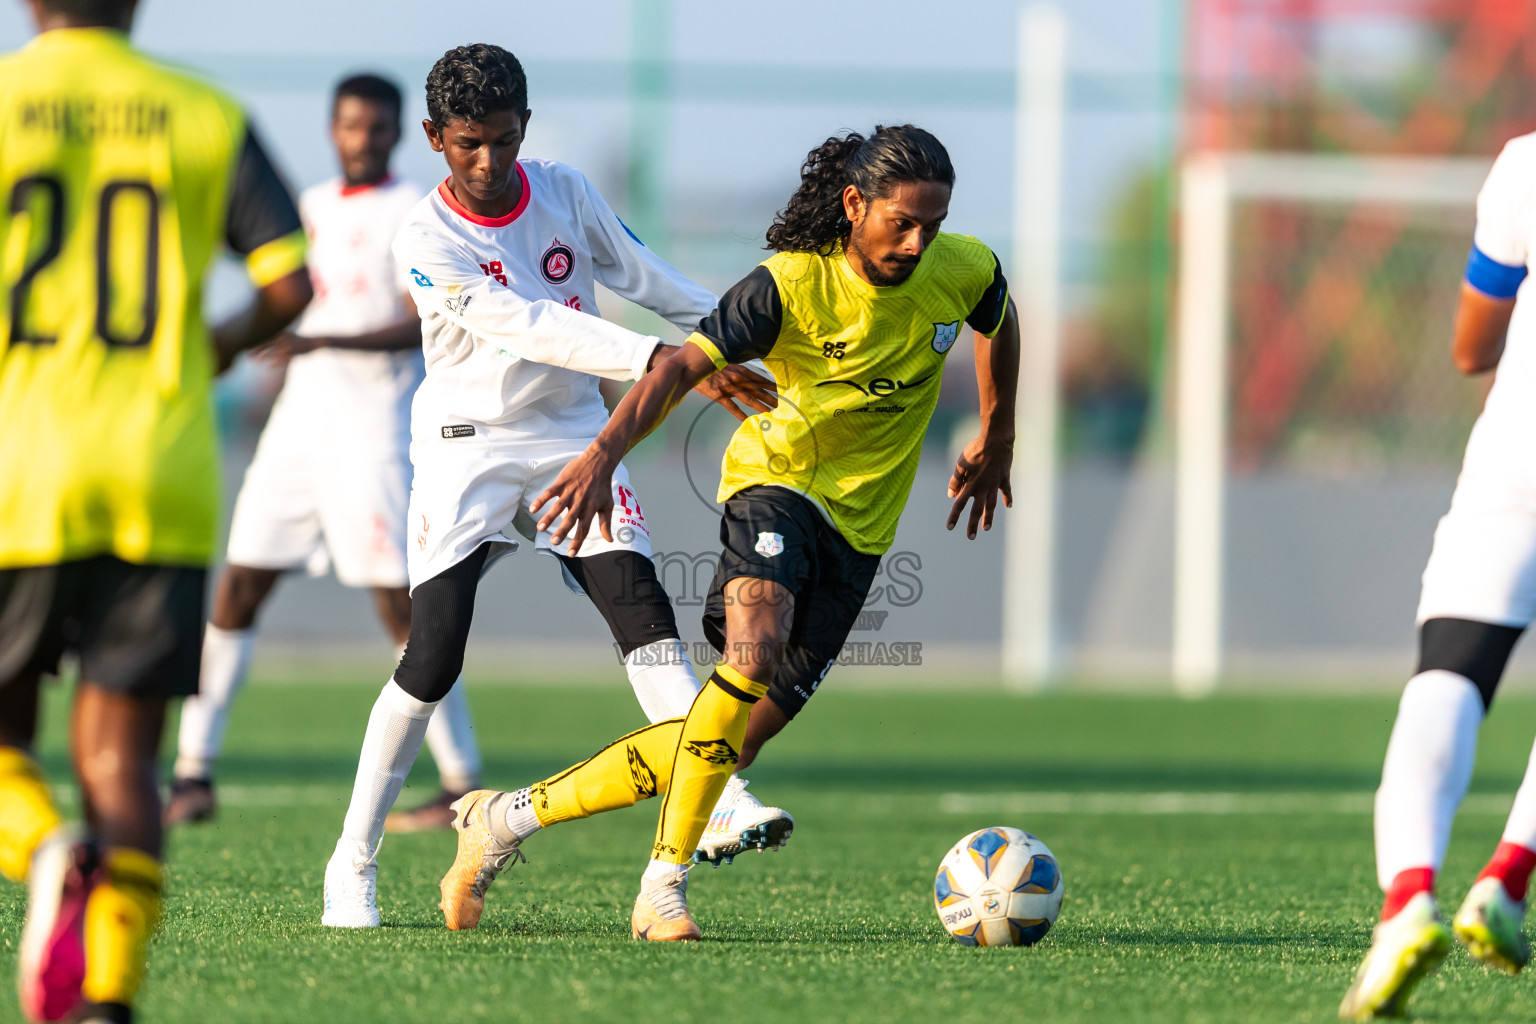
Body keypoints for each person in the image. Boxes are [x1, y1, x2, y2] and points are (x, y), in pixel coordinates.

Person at [435, 124, 1018, 941]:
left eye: (933, 223)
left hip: (862, 535)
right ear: (854, 206)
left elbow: (1000, 318)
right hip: (774, 486)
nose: (919, 243)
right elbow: (679, 367)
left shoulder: (961, 268)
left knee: (722, 746)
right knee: (753, 647)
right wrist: (603, 453)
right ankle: (661, 890)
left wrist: (998, 437)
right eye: (902, 223)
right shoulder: (788, 286)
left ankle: (502, 820)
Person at [319, 43, 784, 929]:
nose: (488, 162)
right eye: (467, 144)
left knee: (642, 609)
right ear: (434, 139)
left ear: (524, 127)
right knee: (431, 659)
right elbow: (529, 326)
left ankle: (718, 794)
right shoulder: (423, 238)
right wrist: (665, 361)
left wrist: (723, 341)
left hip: (573, 434)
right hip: (468, 450)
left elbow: (647, 281)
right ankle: (354, 856)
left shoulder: (565, 191)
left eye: (502, 139)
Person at [0, 0, 312, 1019]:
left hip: (16, 470)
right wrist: (210, 347)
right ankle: (107, 997)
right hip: (158, 473)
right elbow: (288, 280)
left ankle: (50, 853)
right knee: (122, 756)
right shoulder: (204, 114)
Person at [164, 72, 485, 833]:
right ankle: (192, 773)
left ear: (399, 131)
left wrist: (320, 339)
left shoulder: (415, 216)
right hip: (296, 433)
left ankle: (460, 781)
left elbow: (423, 322)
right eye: (349, 125)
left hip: (375, 429)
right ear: (332, 128)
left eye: (376, 127)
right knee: (237, 587)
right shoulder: (305, 208)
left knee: (400, 607)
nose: (362, 138)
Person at [1340, 132, 1536, 1020]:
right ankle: (1508, 877)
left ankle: (1406, 901)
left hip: (1516, 460)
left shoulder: (1526, 164)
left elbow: (1470, 345)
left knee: (1450, 675)